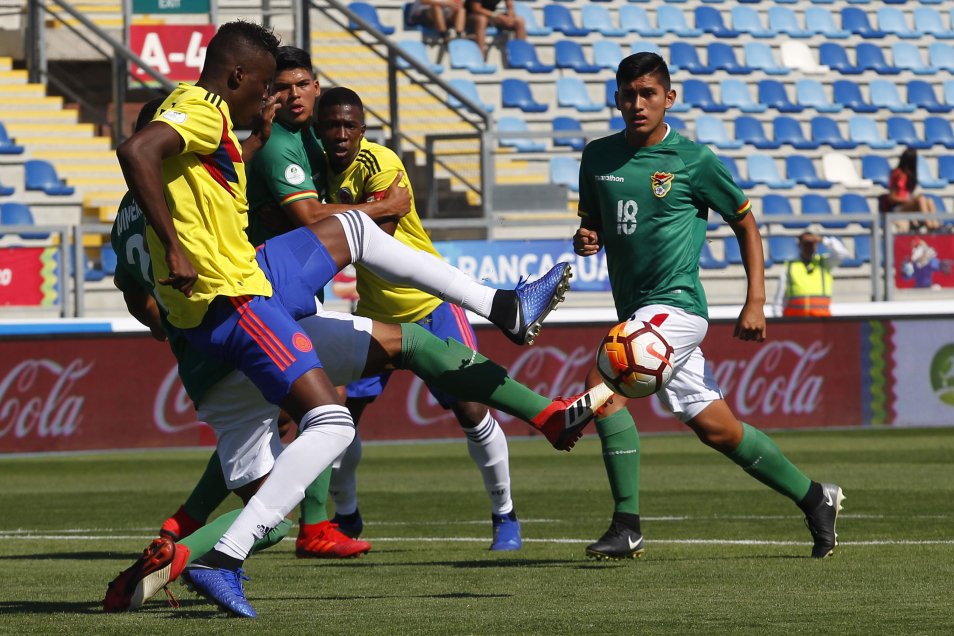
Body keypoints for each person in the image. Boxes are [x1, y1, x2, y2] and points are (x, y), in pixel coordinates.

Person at [111, 26, 585, 615]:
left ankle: (171, 562)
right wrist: (178, 249)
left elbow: (137, 286)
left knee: (388, 345)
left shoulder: (165, 177)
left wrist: (178, 311)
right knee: (332, 424)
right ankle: (225, 556)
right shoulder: (202, 109)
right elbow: (138, 150)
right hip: (239, 297)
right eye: (262, 87)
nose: (268, 100)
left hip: (206, 334)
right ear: (236, 77)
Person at [571, 52, 844, 561]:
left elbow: (745, 222)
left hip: (677, 307)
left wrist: (755, 300)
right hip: (636, 310)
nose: (637, 103)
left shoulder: (694, 161)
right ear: (616, 98)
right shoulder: (597, 158)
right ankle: (816, 498)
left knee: (603, 382)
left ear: (668, 98)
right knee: (719, 430)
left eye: (648, 93)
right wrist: (588, 238)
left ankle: (626, 525)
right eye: (628, 94)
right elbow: (596, 225)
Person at [314, 86, 538, 550]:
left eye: (348, 126)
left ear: (362, 129)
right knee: (337, 417)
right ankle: (347, 515)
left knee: (473, 409)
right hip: (375, 312)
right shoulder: (313, 168)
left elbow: (380, 235)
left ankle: (505, 517)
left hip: (431, 305)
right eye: (331, 125)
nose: (340, 134)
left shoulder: (383, 164)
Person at [772, 230, 850, 318]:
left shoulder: (824, 263)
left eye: (812, 244)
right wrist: (780, 324)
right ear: (799, 245)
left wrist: (823, 240)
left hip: (821, 322)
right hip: (795, 323)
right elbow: (779, 301)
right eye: (806, 244)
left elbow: (842, 254)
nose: (809, 247)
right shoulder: (789, 267)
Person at [882, 148, 941, 234]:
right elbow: (892, 198)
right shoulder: (898, 174)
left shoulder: (911, 175)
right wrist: (908, 200)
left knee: (929, 201)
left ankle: (935, 225)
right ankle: (928, 224)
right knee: (920, 199)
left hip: (907, 205)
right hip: (898, 208)